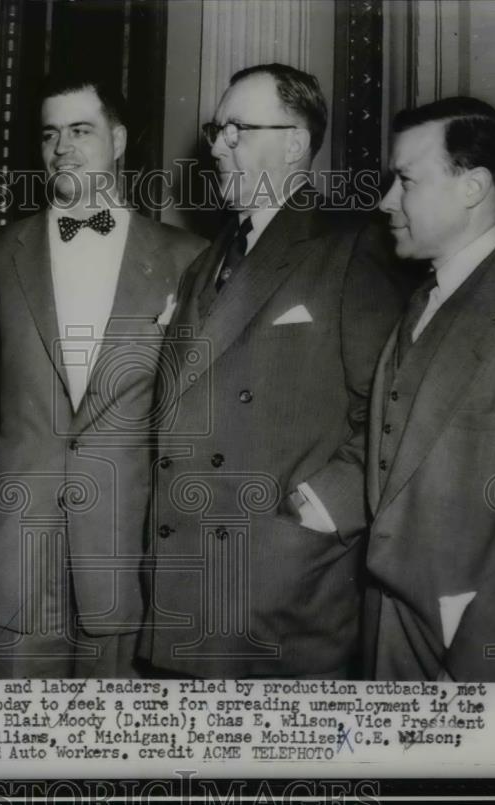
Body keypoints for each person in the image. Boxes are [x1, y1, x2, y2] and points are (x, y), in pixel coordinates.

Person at [140, 63, 403, 679]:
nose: (216, 146)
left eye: (237, 130)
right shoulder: (203, 264)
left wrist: (322, 509)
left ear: (295, 141)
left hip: (281, 584)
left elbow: (393, 411)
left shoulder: (354, 246)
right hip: (188, 579)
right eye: (216, 130)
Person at [0, 74, 206, 678]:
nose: (62, 148)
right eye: (49, 135)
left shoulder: (190, 259)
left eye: (80, 131)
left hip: (128, 552)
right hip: (17, 548)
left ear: (118, 141)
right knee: (11, 745)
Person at [362, 97, 495, 682]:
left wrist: (481, 637)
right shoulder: (421, 298)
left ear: (472, 187)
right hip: (388, 628)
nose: (386, 202)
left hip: (480, 650)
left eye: (405, 181)